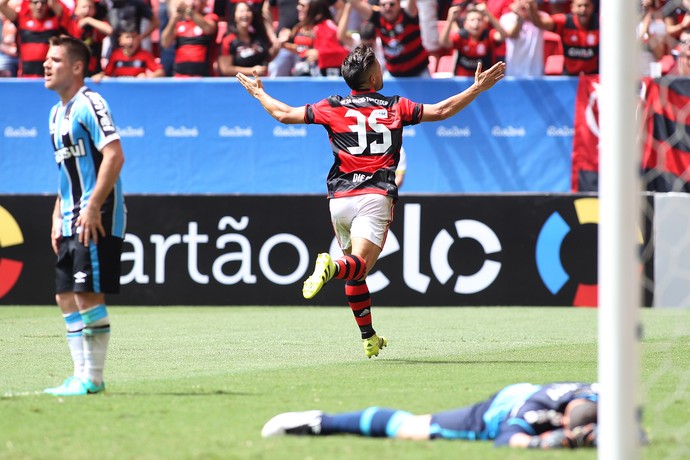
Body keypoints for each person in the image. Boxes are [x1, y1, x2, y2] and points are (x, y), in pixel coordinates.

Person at [237, 44, 505, 357]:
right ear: (375, 78)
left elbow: (283, 114)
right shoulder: (395, 106)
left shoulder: (332, 105)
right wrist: (477, 87)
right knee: (355, 266)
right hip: (375, 196)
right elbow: (442, 110)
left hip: (339, 200)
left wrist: (258, 93)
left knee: (357, 272)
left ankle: (368, 336)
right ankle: (331, 266)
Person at [42, 35, 126, 396]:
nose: (46, 65)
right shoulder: (55, 113)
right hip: (72, 215)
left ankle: (93, 378)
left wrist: (92, 206)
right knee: (65, 295)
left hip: (97, 214)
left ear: (77, 67)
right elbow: (66, 172)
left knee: (87, 294)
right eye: (46, 58)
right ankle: (79, 375)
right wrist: (57, 214)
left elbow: (115, 154)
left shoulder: (90, 103)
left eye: (55, 60)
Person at [261, 381, 599, 449]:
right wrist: (544, 444)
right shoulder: (535, 410)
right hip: (498, 410)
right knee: (411, 428)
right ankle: (321, 422)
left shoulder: (599, 397)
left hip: (529, 390)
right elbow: (507, 439)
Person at [348, 0, 430, 77]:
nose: (387, 7)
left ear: (399, 5)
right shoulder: (377, 18)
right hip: (393, 75)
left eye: (392, 4)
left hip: (419, 72)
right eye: (383, 5)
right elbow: (355, 4)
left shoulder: (408, 14)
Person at [0, 0, 72, 77]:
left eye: (43, 2)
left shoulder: (56, 19)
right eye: (35, 2)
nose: (39, 6)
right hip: (26, 78)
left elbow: (58, 8)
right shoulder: (21, 19)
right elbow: (2, 5)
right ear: (29, 4)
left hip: (49, 78)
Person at [529, 0, 599, 76]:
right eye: (579, 6)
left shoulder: (600, 24)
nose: (583, 9)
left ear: (592, 7)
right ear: (572, 8)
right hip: (569, 76)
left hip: (593, 76)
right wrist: (531, 7)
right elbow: (541, 23)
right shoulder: (565, 22)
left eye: (586, 6)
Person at [440, 3, 507, 77]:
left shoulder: (488, 35)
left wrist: (488, 14)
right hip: (462, 80)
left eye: (479, 20)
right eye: (472, 20)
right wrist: (450, 19)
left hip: (484, 81)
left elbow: (503, 36)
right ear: (465, 24)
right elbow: (444, 43)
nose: (476, 23)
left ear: (484, 23)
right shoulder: (461, 36)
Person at [161, 0, 219, 76]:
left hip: (204, 77)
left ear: (203, 3)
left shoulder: (210, 17)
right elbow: (165, 43)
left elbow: (209, 29)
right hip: (180, 77)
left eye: (195, 0)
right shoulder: (179, 23)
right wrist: (173, 19)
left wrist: (189, 11)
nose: (192, 3)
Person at [218, 1, 272, 76]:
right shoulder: (228, 40)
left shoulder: (258, 37)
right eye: (241, 11)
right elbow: (225, 69)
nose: (245, 14)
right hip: (237, 84)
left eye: (248, 11)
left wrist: (278, 44)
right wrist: (251, 71)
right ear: (234, 15)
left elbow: (268, 57)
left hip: (259, 83)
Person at [91, 26, 164, 80]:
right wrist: (100, 76)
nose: (131, 40)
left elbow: (160, 72)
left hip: (138, 90)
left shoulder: (145, 55)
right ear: (120, 41)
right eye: (127, 37)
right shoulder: (115, 55)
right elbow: (107, 73)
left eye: (134, 37)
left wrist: (147, 77)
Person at [499, 0, 548, 76]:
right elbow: (513, 36)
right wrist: (520, 19)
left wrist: (531, 10)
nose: (523, 3)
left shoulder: (543, 16)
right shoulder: (506, 18)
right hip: (513, 74)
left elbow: (541, 24)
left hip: (536, 74)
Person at [66, 0, 113, 76]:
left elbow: (109, 30)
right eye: (84, 7)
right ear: (75, 9)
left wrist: (88, 20)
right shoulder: (70, 23)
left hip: (93, 73)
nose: (87, 10)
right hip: (73, 72)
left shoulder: (96, 25)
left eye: (90, 7)